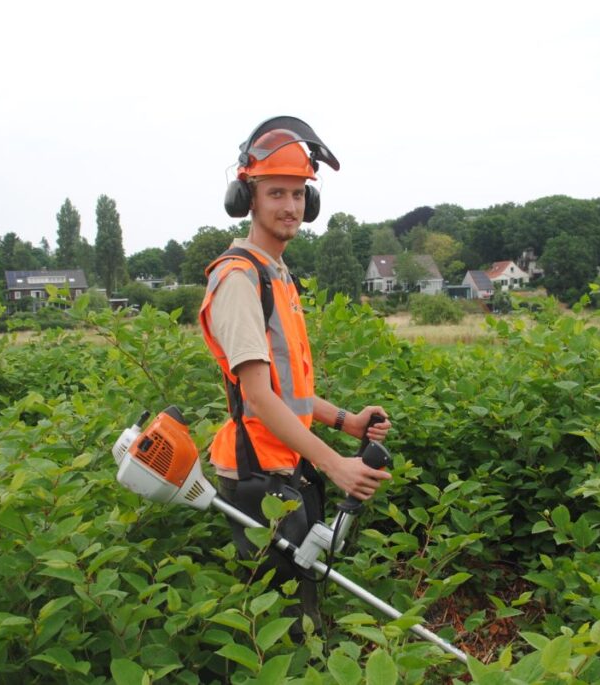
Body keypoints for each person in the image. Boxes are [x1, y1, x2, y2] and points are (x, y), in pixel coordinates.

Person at [198, 116, 392, 639]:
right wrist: (337, 466)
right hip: (258, 475)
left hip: (286, 468)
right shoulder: (240, 279)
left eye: (299, 193)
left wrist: (345, 421)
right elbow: (258, 398)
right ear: (248, 199)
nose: (290, 206)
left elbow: (290, 388)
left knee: (304, 597)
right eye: (275, 192)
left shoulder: (278, 275)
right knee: (285, 626)